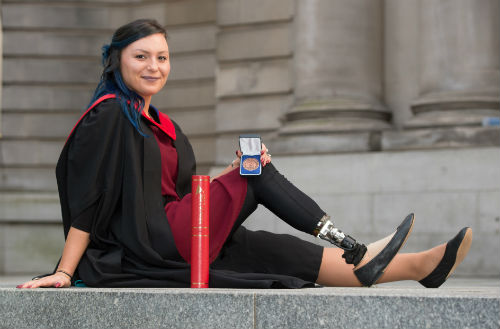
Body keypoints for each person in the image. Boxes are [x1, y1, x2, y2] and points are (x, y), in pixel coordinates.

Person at [18, 19, 471, 289]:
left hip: (175, 230)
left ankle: (418, 268)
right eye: (141, 57)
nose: (154, 67)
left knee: (276, 249)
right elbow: (90, 197)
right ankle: (352, 246)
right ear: (116, 61)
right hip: (149, 242)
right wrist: (65, 270)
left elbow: (179, 192)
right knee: (257, 169)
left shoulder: (165, 125)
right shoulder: (110, 114)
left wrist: (226, 179)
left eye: (162, 57)